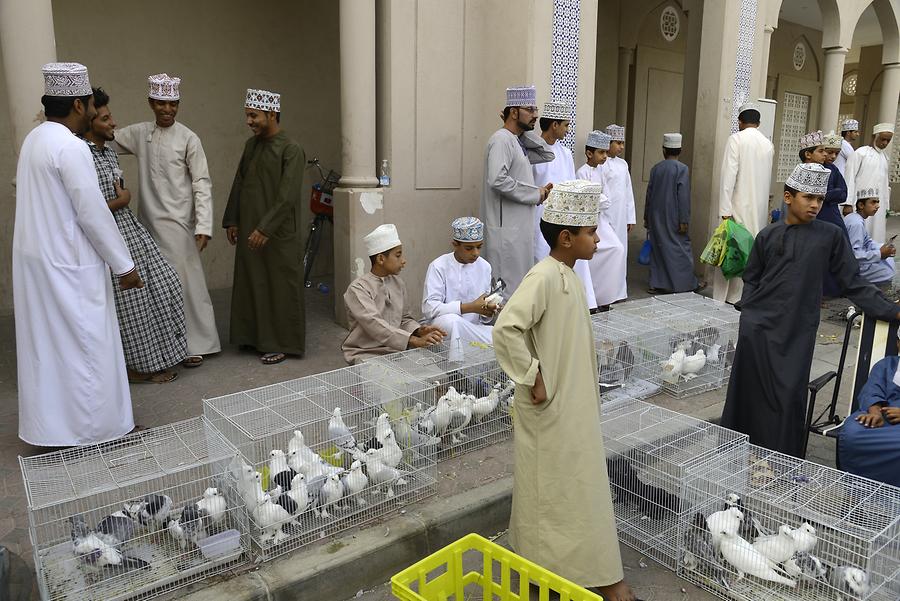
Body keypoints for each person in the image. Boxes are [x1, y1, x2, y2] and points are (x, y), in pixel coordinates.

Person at [492, 180, 635, 601]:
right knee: (553, 492)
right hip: (550, 408)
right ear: (567, 238)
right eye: (591, 230)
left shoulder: (567, 274)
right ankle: (575, 579)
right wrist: (534, 376)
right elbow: (506, 329)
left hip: (574, 407)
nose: (597, 238)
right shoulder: (543, 277)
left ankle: (579, 576)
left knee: (574, 490)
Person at [721, 163, 900, 458]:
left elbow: (852, 281)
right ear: (789, 197)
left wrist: (890, 310)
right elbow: (752, 277)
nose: (816, 205)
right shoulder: (767, 235)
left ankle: (780, 459)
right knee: (750, 391)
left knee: (787, 393)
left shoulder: (830, 235)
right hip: (758, 329)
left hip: (797, 330)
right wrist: (749, 314)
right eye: (809, 198)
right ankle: (745, 453)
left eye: (820, 199)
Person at [14, 63, 143, 446]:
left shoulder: (35, 139)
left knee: (50, 349)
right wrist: (125, 266)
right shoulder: (71, 147)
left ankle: (53, 430)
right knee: (90, 346)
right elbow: (92, 213)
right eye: (89, 104)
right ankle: (100, 431)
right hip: (69, 263)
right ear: (77, 104)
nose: (91, 110)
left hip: (38, 260)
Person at [114, 73, 220, 368]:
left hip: (178, 223)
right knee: (156, 284)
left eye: (173, 104)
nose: (167, 109)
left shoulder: (188, 138)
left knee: (185, 281)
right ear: (151, 103)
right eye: (161, 103)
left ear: (178, 104)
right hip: (147, 222)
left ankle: (196, 342)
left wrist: (203, 225)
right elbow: (108, 138)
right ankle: (165, 342)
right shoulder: (139, 133)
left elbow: (202, 182)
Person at [83, 87, 186, 383]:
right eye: (105, 118)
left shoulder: (107, 154)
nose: (113, 123)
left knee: (167, 282)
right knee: (133, 304)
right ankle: (137, 369)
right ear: (91, 123)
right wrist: (121, 200)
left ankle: (160, 357)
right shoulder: (83, 156)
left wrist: (122, 202)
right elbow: (81, 208)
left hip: (130, 230)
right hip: (110, 236)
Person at [223, 89, 306, 365]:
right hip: (250, 227)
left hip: (278, 234)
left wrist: (265, 228)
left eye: (253, 115)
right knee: (252, 282)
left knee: (278, 287)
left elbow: (287, 197)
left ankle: (281, 343)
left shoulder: (291, 149)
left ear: (271, 114)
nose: (248, 121)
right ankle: (252, 337)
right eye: (247, 115)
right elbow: (239, 182)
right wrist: (233, 219)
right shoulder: (251, 146)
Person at [481, 85, 555, 294]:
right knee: (505, 291)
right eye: (530, 110)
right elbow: (497, 179)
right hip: (506, 232)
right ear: (514, 112)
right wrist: (536, 193)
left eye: (535, 109)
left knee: (518, 288)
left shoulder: (515, 141)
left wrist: (521, 133)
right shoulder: (501, 140)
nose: (536, 115)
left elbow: (547, 154)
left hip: (518, 229)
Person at [342, 224, 446, 364]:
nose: (403, 261)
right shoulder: (358, 289)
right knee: (398, 384)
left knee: (437, 379)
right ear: (380, 259)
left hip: (397, 350)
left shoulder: (398, 283)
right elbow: (375, 325)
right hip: (367, 353)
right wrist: (413, 340)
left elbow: (404, 319)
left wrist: (419, 331)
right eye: (398, 255)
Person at [531, 100, 597, 310]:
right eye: (566, 125)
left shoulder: (566, 154)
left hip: (564, 217)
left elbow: (571, 184)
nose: (568, 130)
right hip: (538, 216)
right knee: (541, 258)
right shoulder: (532, 152)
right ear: (554, 125)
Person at [714, 102, 775, 304]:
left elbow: (728, 177)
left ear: (740, 122)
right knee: (749, 254)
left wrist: (724, 210)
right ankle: (739, 298)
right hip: (757, 210)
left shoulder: (736, 139)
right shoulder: (768, 144)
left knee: (728, 252)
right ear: (758, 123)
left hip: (737, 206)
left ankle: (720, 300)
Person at [422, 217, 496, 361]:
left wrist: (488, 310)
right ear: (455, 245)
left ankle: (475, 379)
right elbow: (429, 308)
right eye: (469, 248)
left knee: (500, 334)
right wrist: (469, 307)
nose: (475, 253)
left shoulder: (485, 266)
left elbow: (484, 320)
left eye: (479, 247)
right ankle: (458, 372)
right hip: (445, 327)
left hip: (474, 329)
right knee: (453, 322)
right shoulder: (438, 266)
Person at [839, 332, 900, 487]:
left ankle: (892, 498)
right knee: (853, 433)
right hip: (882, 417)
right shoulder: (887, 364)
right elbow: (872, 390)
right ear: (898, 344)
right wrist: (874, 413)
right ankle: (856, 489)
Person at [577, 130, 628, 308]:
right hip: (588, 223)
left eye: (606, 152)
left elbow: (605, 197)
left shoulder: (601, 172)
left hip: (602, 221)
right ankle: (591, 297)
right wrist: (600, 199)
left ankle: (606, 297)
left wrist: (601, 200)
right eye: (601, 152)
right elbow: (586, 196)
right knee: (591, 257)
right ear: (589, 153)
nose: (604, 156)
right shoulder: (581, 172)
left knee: (617, 249)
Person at [644, 133, 699, 294]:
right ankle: (685, 284)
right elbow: (683, 196)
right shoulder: (682, 169)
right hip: (674, 216)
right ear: (680, 150)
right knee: (681, 249)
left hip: (656, 216)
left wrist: (646, 217)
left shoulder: (656, 168)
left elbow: (649, 193)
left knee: (658, 249)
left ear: (664, 150)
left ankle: (656, 283)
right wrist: (684, 219)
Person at [803, 131, 850, 297]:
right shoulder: (803, 171)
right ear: (809, 154)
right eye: (825, 152)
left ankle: (835, 289)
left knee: (838, 251)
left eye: (834, 153)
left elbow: (843, 193)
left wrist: (825, 194)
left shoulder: (833, 170)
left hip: (831, 216)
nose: (829, 156)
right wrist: (827, 194)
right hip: (813, 218)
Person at [598, 124, 636, 300]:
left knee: (621, 250)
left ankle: (619, 291)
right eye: (618, 143)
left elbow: (628, 193)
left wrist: (630, 217)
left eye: (622, 143)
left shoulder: (623, 164)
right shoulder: (601, 165)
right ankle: (605, 291)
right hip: (605, 215)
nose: (621, 147)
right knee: (607, 250)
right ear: (608, 143)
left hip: (621, 216)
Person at [844, 122, 894, 244]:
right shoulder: (860, 153)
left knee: (876, 237)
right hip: (860, 205)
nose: (885, 143)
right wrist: (848, 203)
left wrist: (886, 207)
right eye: (883, 139)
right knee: (858, 236)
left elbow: (885, 184)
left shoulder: (885, 158)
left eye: (888, 140)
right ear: (874, 137)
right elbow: (849, 178)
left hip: (878, 207)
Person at [844, 188, 896, 287]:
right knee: (887, 272)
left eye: (878, 202)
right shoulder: (856, 224)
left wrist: (884, 248)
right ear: (861, 205)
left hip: (856, 262)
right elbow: (854, 255)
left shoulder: (856, 218)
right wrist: (879, 254)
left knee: (889, 260)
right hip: (849, 268)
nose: (878, 206)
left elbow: (867, 241)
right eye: (873, 202)